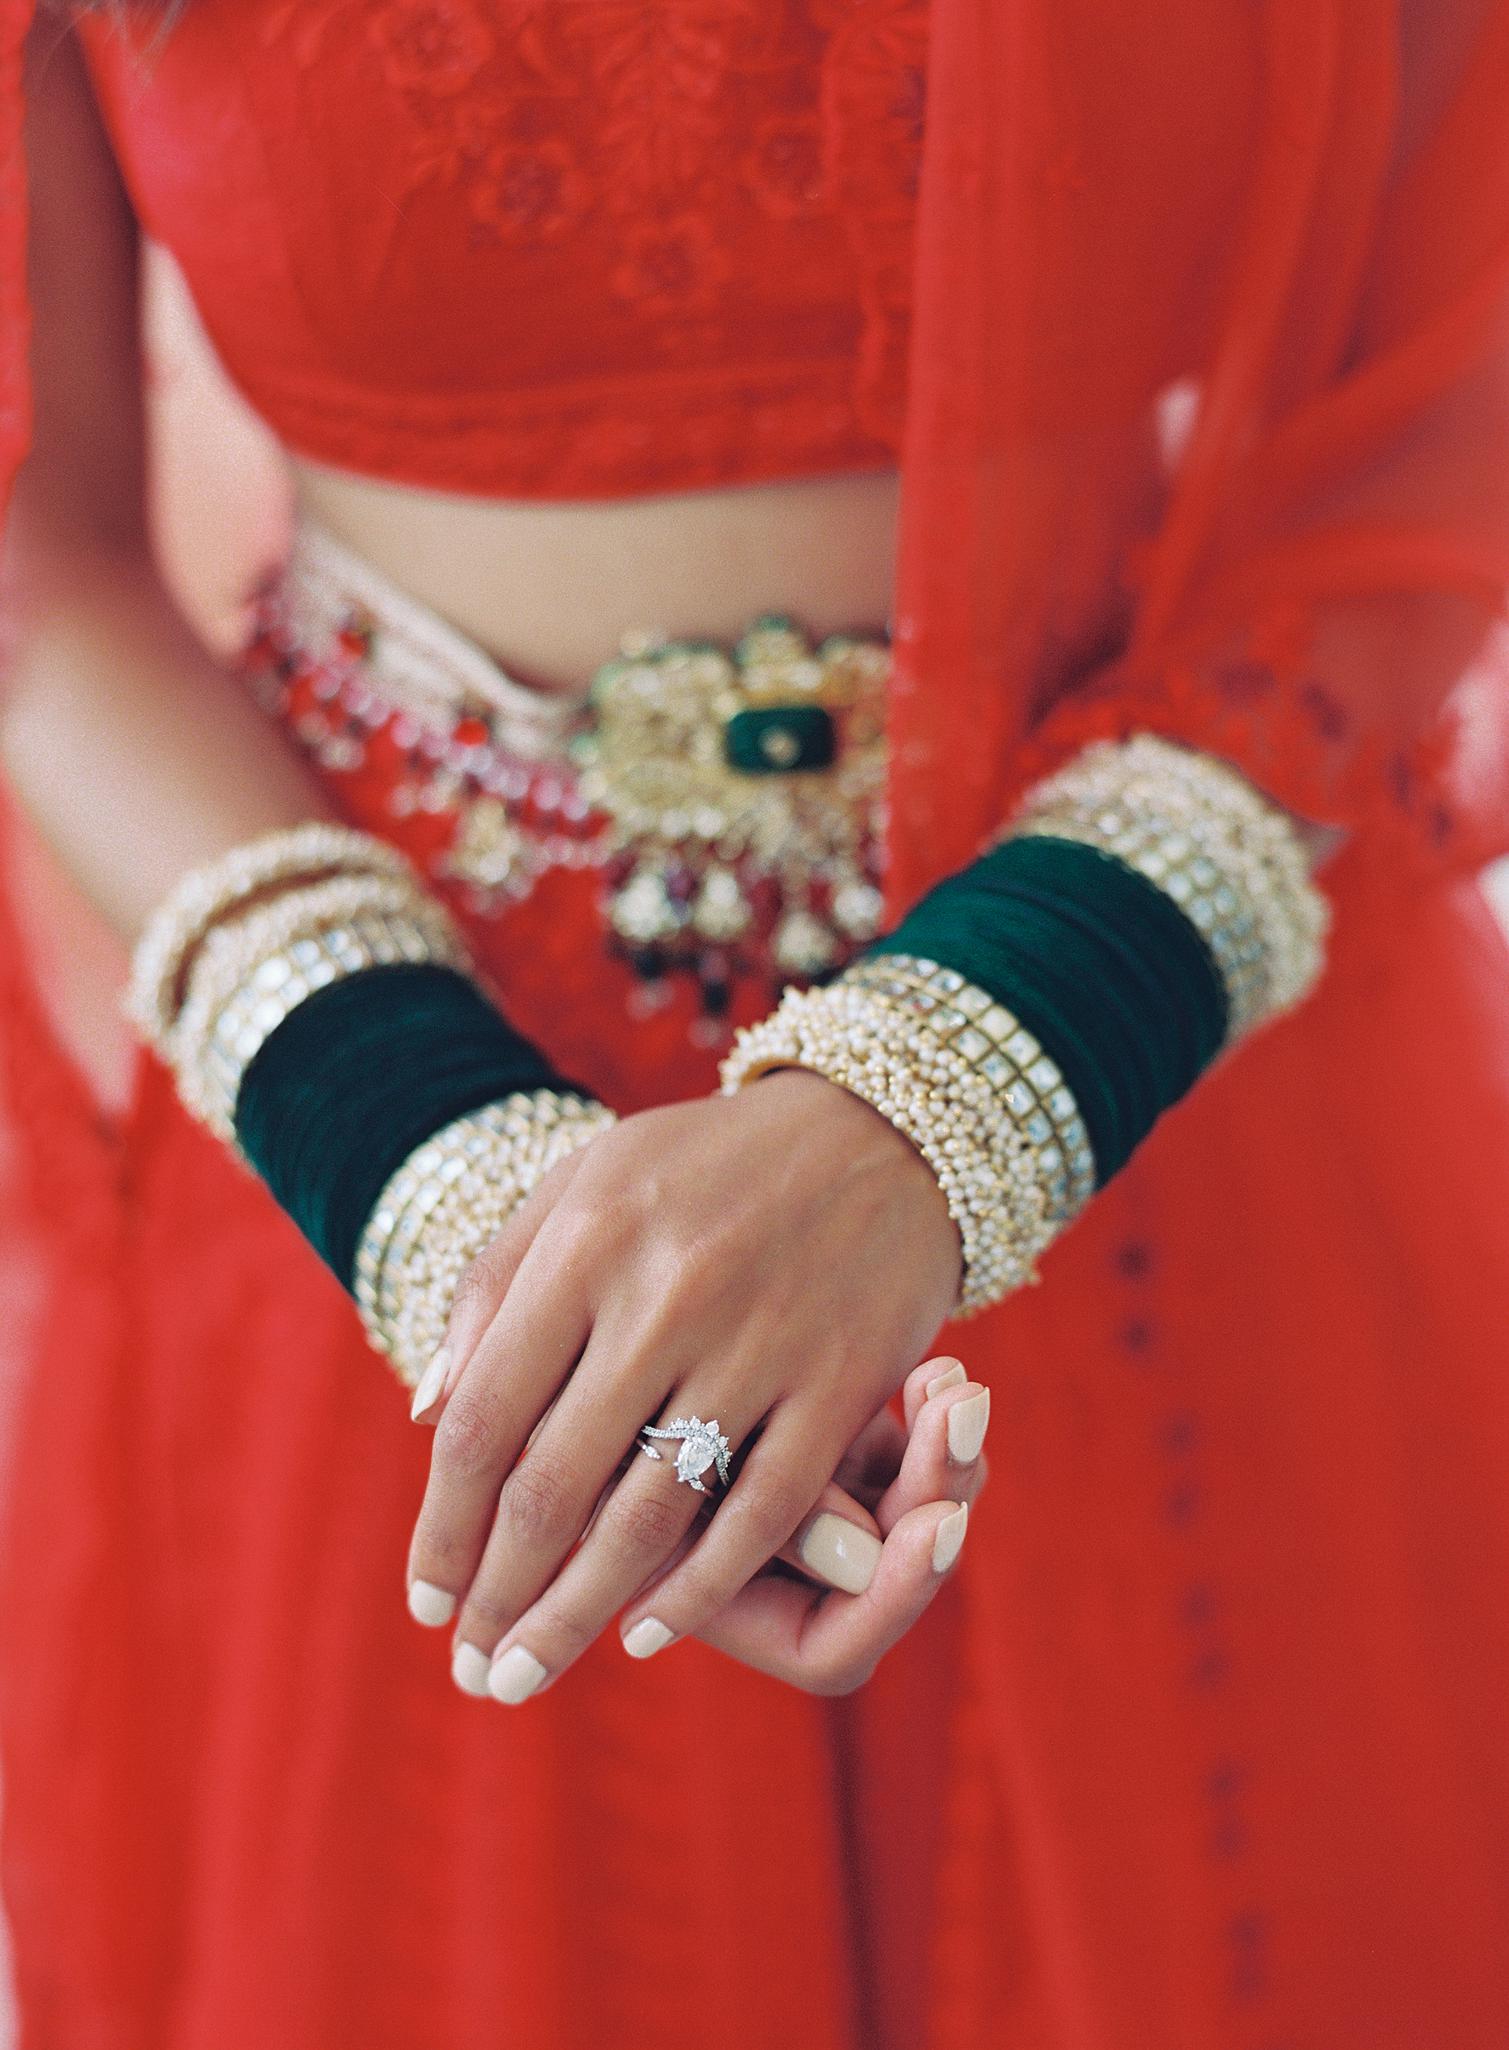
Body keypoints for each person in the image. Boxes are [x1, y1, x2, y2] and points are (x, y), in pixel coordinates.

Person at [1, 3, 1508, 2048]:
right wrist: (450, 1185)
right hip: (377, 1182)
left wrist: (969, 1082)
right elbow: (30, 547)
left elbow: (1448, 378)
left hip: (1172, 1076)